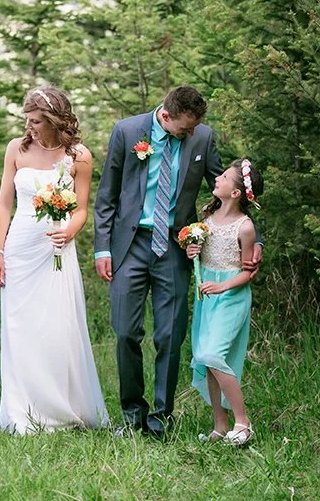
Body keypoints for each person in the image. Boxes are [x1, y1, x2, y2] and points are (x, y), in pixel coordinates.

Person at [93, 85, 262, 439]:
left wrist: (252, 239)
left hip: (175, 247)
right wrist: (102, 248)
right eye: (185, 128)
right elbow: (107, 194)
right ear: (166, 116)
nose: (191, 134)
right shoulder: (126, 131)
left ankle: (160, 418)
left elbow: (229, 192)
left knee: (171, 335)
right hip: (129, 246)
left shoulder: (202, 137)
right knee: (126, 331)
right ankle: (131, 415)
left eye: (195, 127)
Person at [0, 86, 108, 434]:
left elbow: (83, 208)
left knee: (56, 327)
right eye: (27, 120)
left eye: (37, 121)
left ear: (55, 121)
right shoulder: (16, 148)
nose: (30, 127)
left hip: (57, 249)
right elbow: (3, 204)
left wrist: (69, 231)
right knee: (19, 328)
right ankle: (22, 410)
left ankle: (59, 408)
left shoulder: (79, 156)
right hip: (20, 248)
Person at [187, 159, 263, 446]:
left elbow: (247, 272)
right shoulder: (206, 221)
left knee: (213, 355)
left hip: (230, 296)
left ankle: (243, 422)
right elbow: (202, 256)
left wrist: (223, 286)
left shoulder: (244, 227)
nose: (217, 178)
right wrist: (192, 252)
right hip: (207, 296)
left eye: (224, 177)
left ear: (235, 193)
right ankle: (220, 424)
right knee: (205, 358)